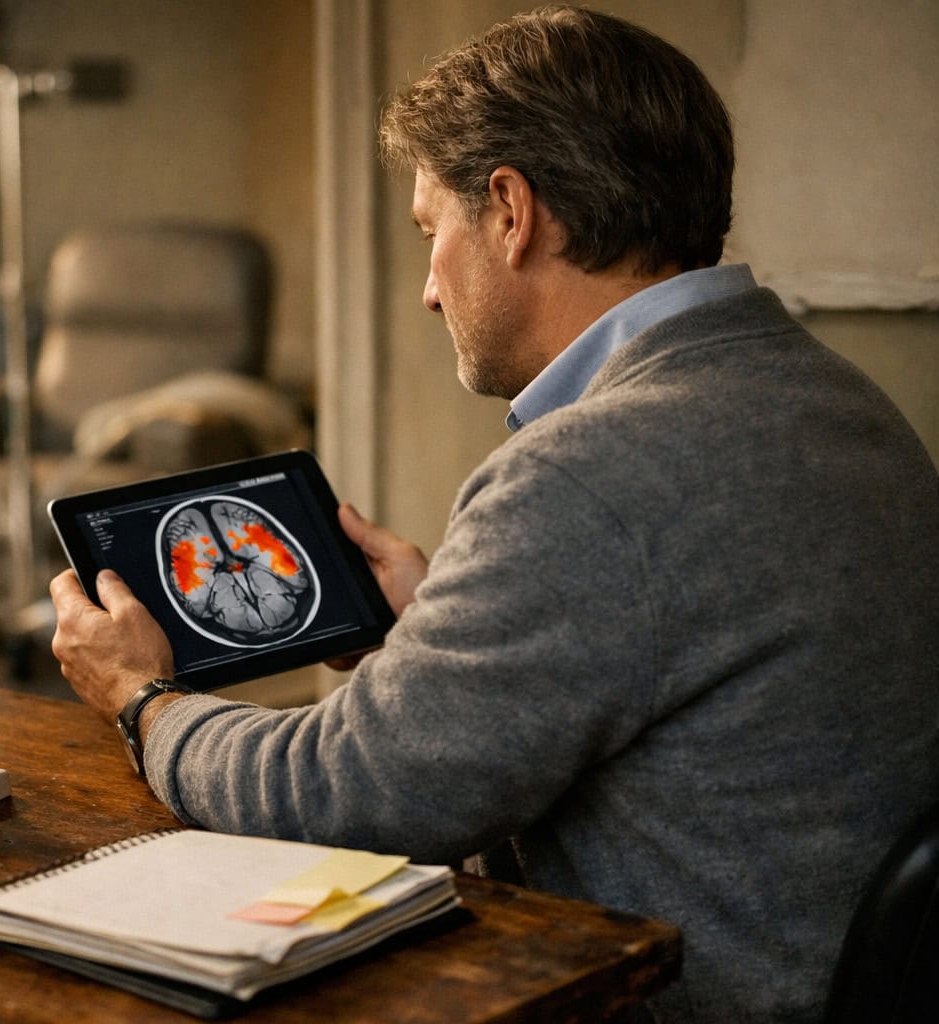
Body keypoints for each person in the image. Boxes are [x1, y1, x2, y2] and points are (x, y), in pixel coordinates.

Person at [48, 7, 939, 1023]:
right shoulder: (842, 400)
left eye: (434, 232)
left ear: (512, 213)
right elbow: (673, 638)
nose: (430, 290)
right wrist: (443, 618)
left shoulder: (589, 473)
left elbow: (350, 796)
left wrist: (143, 698)